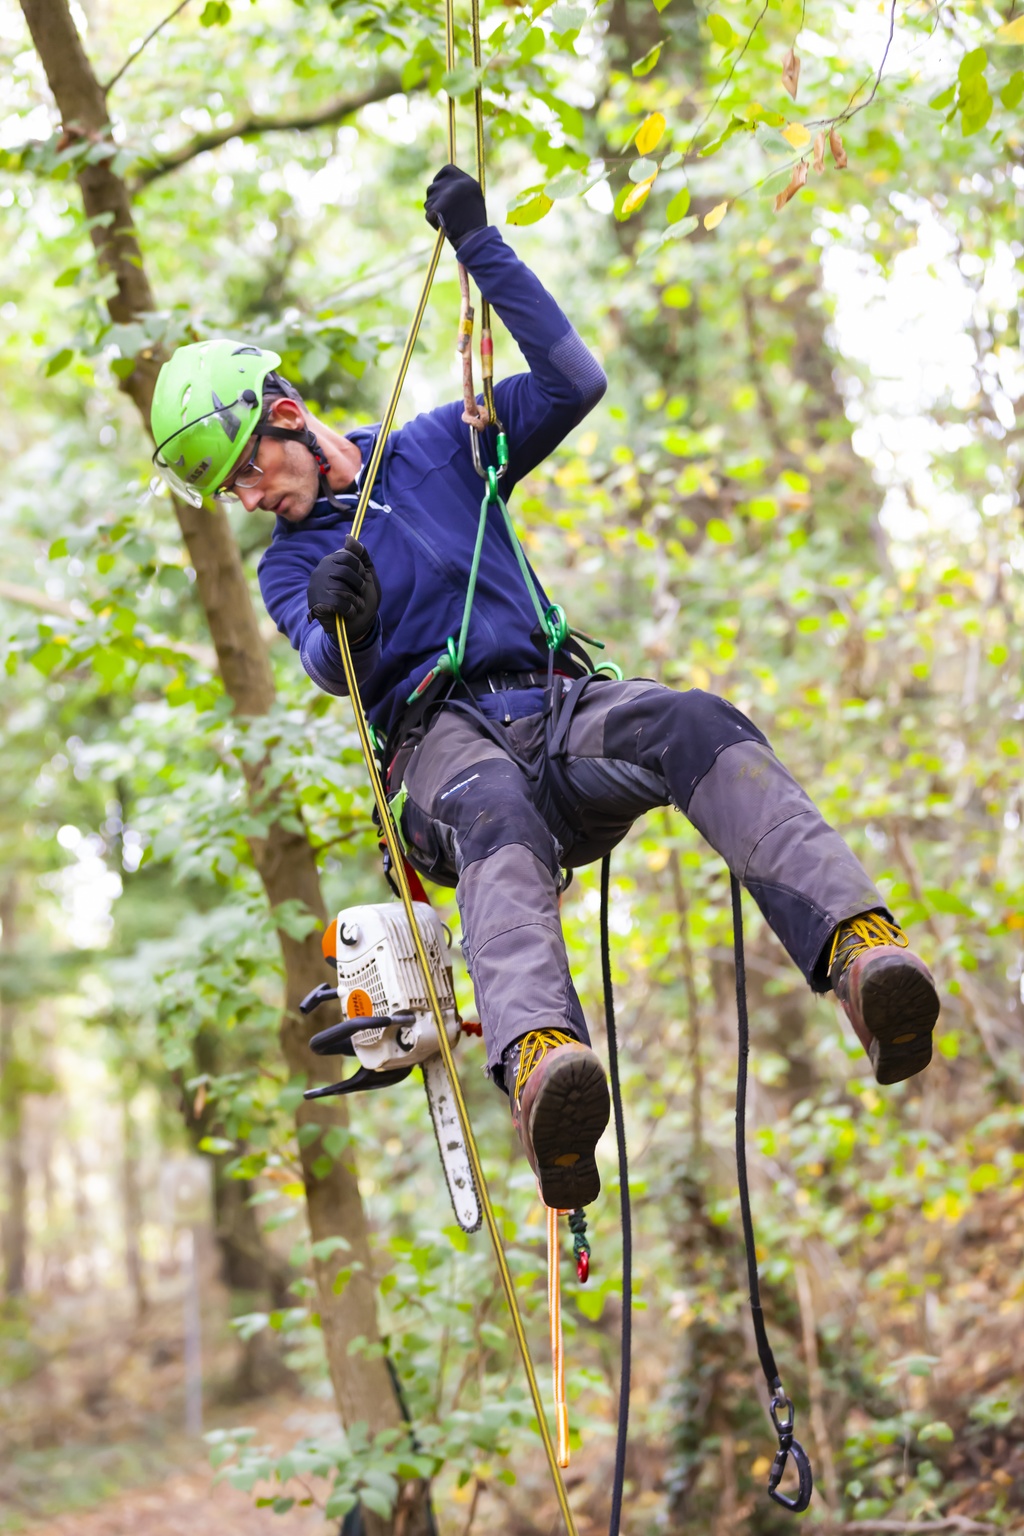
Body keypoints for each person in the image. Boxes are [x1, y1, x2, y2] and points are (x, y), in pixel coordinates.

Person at [150, 166, 941, 1212]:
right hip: (443, 758)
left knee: (694, 721)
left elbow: (574, 381)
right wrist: (340, 611)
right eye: (234, 493)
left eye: (250, 471)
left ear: (287, 414)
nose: (250, 499)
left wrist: (482, 245)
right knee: (492, 803)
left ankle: (859, 956)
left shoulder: (443, 448)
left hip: (559, 710)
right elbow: (314, 655)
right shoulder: (290, 564)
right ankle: (542, 1068)